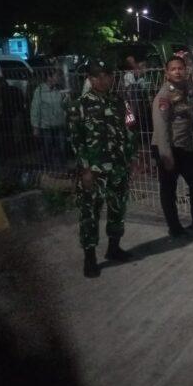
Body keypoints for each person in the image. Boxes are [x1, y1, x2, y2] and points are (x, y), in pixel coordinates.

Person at [68, 60, 139, 278]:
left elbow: (130, 130)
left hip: (118, 167)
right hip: (94, 170)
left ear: (112, 77)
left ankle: (114, 247)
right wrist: (85, 169)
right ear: (89, 79)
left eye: (106, 75)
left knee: (117, 208)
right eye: (96, 76)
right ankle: (90, 258)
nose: (102, 79)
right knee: (90, 213)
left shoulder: (121, 102)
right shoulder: (78, 105)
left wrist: (132, 158)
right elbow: (76, 141)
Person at [151, 56, 193, 237]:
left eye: (180, 68)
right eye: (173, 69)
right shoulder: (164, 96)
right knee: (169, 188)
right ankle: (174, 227)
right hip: (167, 146)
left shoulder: (191, 87)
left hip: (185, 146)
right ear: (167, 73)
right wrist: (166, 155)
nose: (177, 72)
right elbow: (161, 126)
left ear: (186, 70)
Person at [30, 68, 68, 169]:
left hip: (59, 124)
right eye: (56, 76)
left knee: (62, 147)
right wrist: (35, 127)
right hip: (46, 125)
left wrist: (66, 98)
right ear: (49, 77)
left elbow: (64, 105)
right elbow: (35, 109)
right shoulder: (40, 90)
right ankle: (49, 167)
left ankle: (62, 167)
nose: (58, 78)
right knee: (47, 147)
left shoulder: (59, 89)